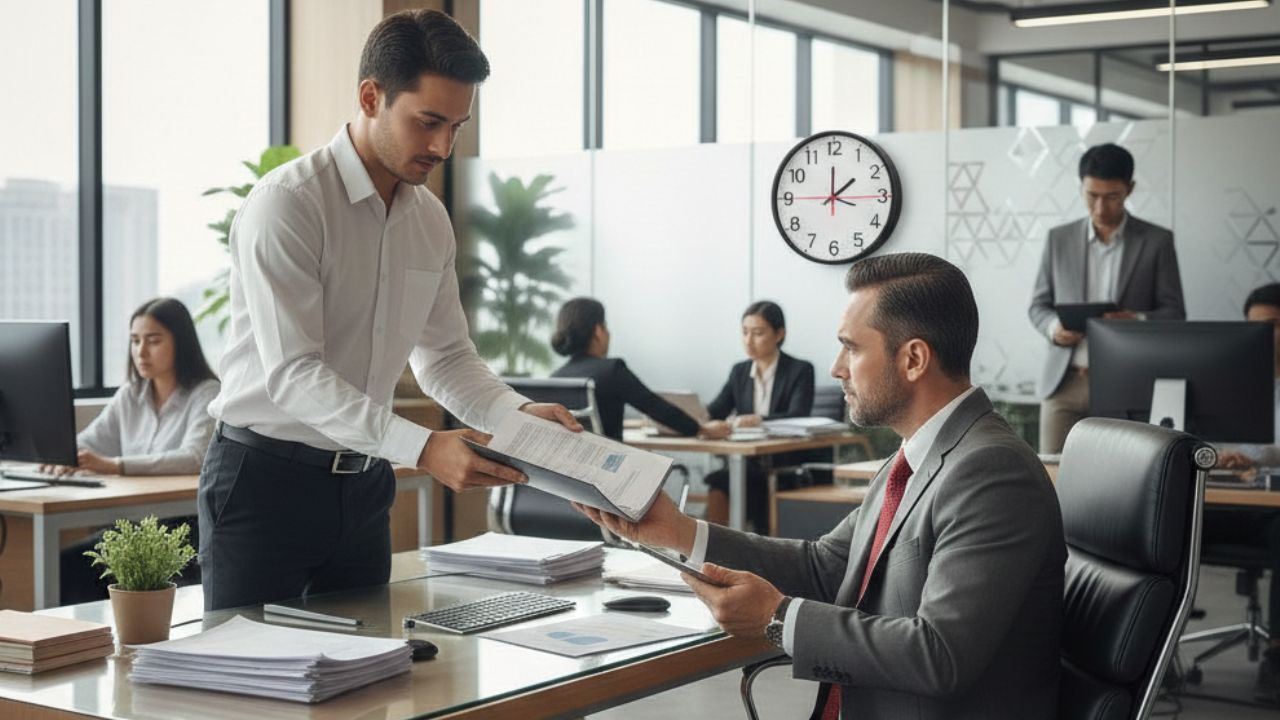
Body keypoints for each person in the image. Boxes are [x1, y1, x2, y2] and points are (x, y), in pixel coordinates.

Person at [201, 10, 579, 612]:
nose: (443, 147)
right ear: (371, 97)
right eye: (428, 122)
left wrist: (518, 413)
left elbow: (447, 358)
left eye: (457, 126)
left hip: (365, 484)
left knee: (366, 686)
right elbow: (294, 373)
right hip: (263, 482)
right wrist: (427, 448)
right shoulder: (287, 206)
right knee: (246, 691)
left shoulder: (429, 220)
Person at [577, 253, 1065, 718]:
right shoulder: (917, 456)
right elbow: (828, 566)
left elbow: (938, 655)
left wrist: (777, 617)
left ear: (913, 359)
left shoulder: (990, 471)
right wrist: (679, 531)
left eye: (851, 347)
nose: (836, 367)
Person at [44, 297, 219, 604]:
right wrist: (64, 458)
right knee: (66, 563)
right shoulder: (131, 394)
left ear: (181, 343)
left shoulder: (206, 392)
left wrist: (115, 465)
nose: (141, 351)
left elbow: (195, 457)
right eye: (135, 341)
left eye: (153, 341)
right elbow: (90, 441)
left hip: (179, 524)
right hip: (130, 522)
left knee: (71, 566)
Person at [1029, 142, 1185, 454]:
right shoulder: (1058, 238)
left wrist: (1136, 320)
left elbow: (1175, 313)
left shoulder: (1157, 241)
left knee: (1121, 479)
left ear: (1130, 189)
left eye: (1112, 197)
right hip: (1064, 382)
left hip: (1126, 383)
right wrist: (1054, 328)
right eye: (1092, 196)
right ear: (1082, 188)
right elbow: (1038, 306)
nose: (1101, 208)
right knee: (1055, 482)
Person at [1205, 282, 1280, 703]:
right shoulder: (1221, 374)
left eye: (1273, 326)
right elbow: (1192, 437)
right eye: (1256, 327)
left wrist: (1264, 457)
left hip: (1272, 509)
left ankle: (1276, 657)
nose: (1264, 337)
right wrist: (1213, 457)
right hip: (1220, 499)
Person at [548, 297, 731, 441]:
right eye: (606, 327)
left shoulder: (555, 378)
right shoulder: (611, 370)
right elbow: (654, 406)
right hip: (612, 472)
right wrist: (701, 429)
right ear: (598, 331)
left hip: (567, 480)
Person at [703, 301, 814, 528]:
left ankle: (720, 551)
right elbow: (715, 411)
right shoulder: (740, 371)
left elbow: (798, 415)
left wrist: (759, 420)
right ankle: (711, 555)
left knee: (723, 482)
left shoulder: (800, 370)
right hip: (746, 463)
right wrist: (687, 415)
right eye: (744, 332)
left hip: (783, 466)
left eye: (758, 333)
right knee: (720, 482)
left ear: (779, 334)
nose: (748, 340)